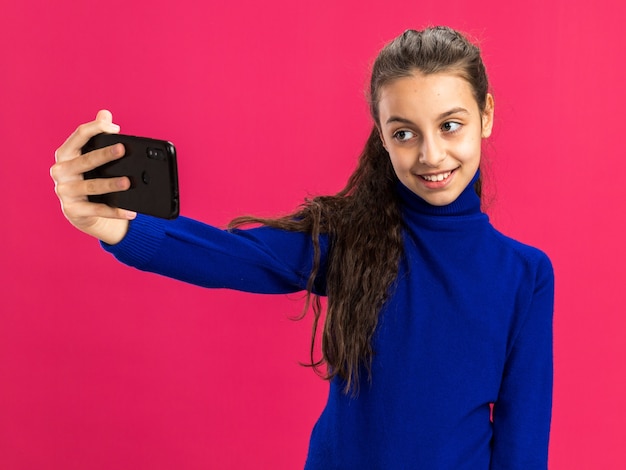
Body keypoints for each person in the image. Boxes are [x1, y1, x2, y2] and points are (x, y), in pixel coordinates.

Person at [51, 26, 554, 469]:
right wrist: (113, 225)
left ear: (485, 115)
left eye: (450, 125)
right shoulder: (350, 237)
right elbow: (234, 256)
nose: (431, 154)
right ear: (381, 135)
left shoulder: (525, 275)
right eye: (404, 133)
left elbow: (522, 443)